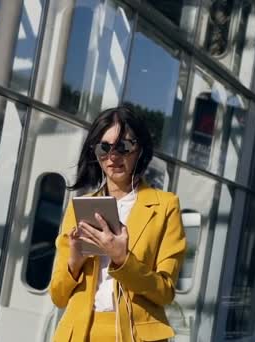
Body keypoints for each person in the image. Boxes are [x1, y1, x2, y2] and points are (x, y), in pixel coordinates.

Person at [49, 106, 186, 342]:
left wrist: (123, 260)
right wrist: (74, 263)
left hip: (135, 336)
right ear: (95, 151)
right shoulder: (79, 209)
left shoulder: (165, 206)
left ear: (139, 149)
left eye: (123, 146)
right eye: (104, 147)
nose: (113, 157)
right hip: (79, 335)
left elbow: (165, 293)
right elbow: (59, 297)